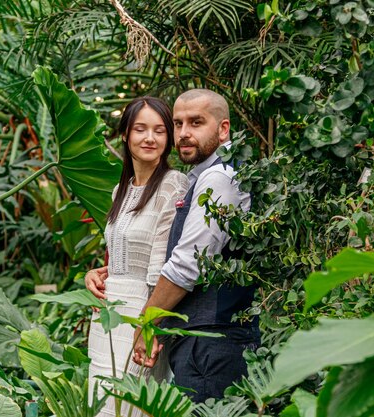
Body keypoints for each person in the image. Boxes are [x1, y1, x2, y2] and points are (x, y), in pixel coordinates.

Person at [131, 89, 260, 403]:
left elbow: (189, 263)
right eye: (178, 124)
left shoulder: (220, 177)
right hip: (201, 340)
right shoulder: (201, 176)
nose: (184, 133)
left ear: (223, 129)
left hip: (215, 342)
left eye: (196, 122)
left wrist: (147, 322)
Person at [84, 96, 189, 417]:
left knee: (131, 407)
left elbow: (162, 265)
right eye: (140, 129)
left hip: (140, 314)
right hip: (107, 315)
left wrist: (149, 326)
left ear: (168, 138)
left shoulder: (174, 185)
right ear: (126, 135)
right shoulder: (121, 191)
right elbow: (127, 253)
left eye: (159, 131)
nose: (149, 138)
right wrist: (101, 272)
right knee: (100, 403)